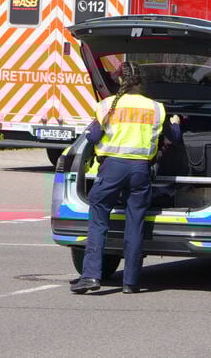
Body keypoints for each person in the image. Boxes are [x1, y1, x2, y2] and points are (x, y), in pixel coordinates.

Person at [71, 61, 180, 294]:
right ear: (141, 81)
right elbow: (175, 137)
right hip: (141, 171)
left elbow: (92, 137)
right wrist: (177, 123)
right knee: (135, 223)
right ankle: (130, 281)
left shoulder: (108, 105)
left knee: (99, 219)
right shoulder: (157, 108)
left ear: (121, 79)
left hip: (112, 169)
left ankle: (91, 276)